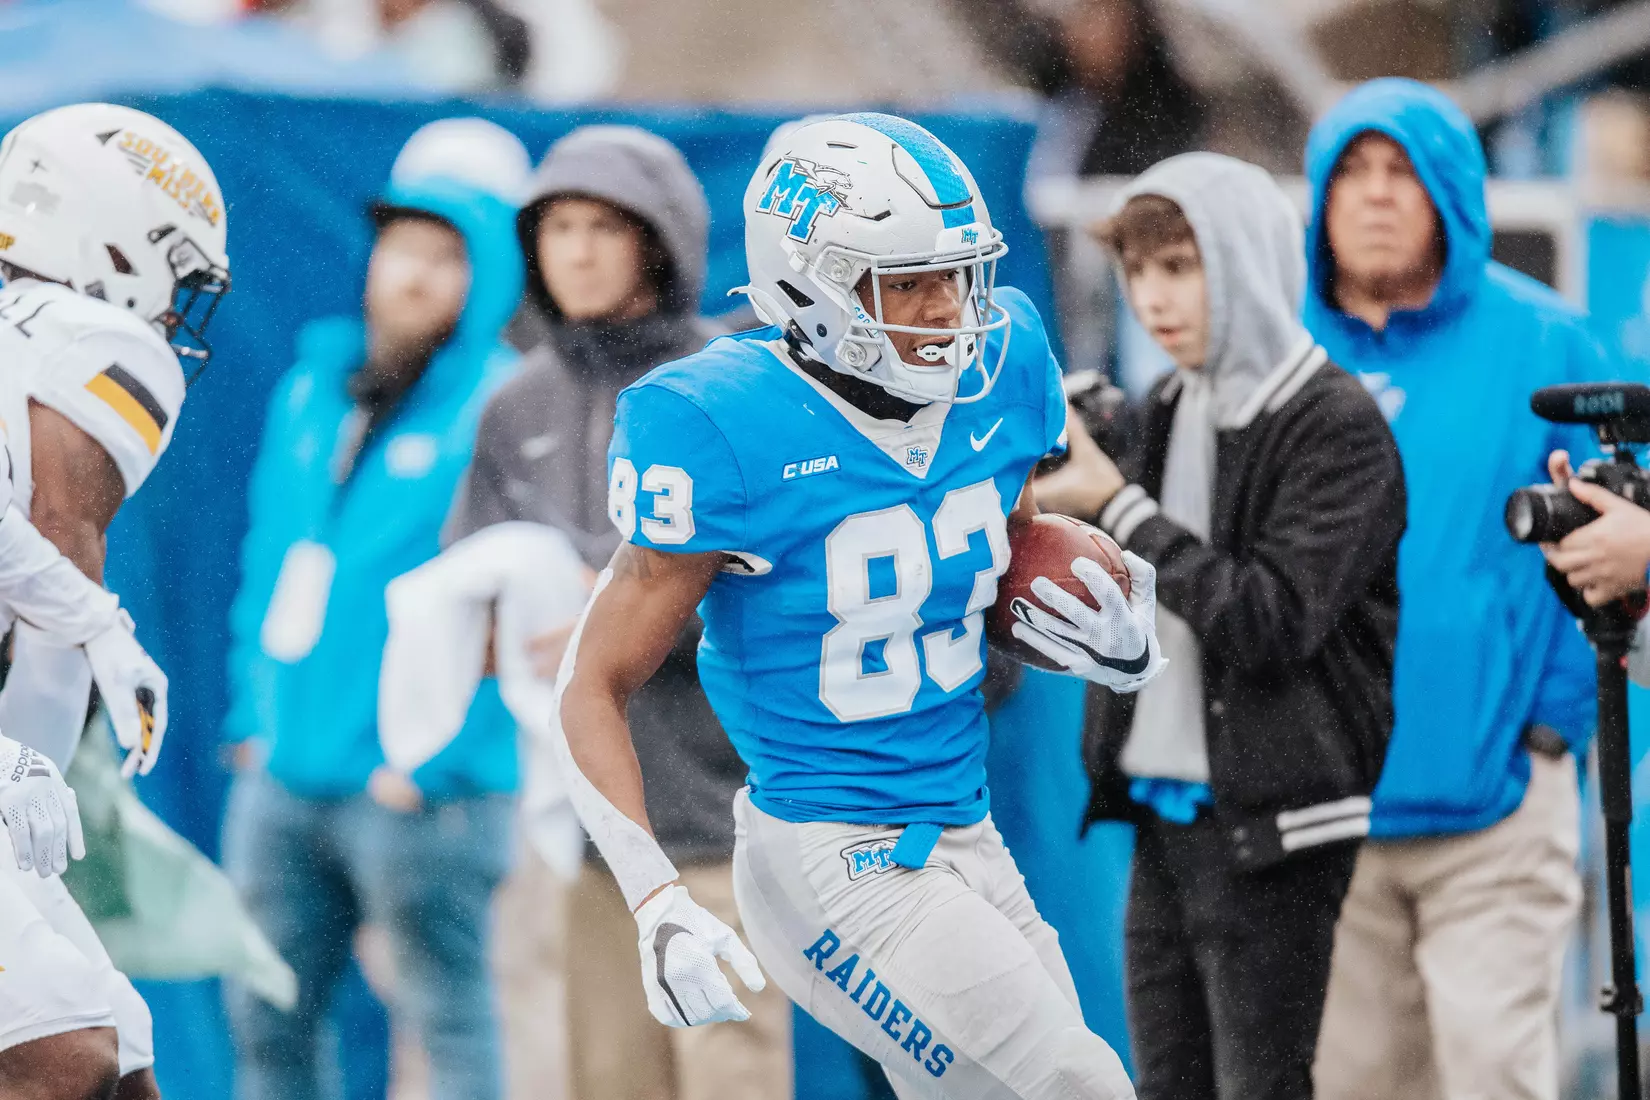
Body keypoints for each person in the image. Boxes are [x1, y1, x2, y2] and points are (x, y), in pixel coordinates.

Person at [550, 112, 1164, 1100]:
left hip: (963, 829)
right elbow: (589, 680)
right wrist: (655, 894)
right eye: (905, 282)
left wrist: (1105, 636)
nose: (943, 311)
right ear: (810, 283)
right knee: (1078, 1081)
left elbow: (994, 569)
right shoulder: (717, 423)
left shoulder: (1001, 366)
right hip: (827, 855)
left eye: (955, 275)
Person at [1032, 153, 1405, 1100]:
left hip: (1277, 828)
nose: (1154, 297)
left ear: (1245, 259)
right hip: (1161, 819)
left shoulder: (1335, 421)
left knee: (1261, 1089)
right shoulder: (1164, 402)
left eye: (1181, 266)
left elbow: (1272, 621)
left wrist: (1118, 507)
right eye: (1137, 271)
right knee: (1166, 1087)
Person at [438, 124, 793, 1100]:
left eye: (605, 224)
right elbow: (469, 576)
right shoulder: (516, 405)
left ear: (662, 239)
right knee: (610, 1081)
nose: (579, 250)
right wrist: (480, 637)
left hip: (731, 818)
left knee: (732, 1079)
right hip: (592, 833)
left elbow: (786, 568)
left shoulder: (737, 382)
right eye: (557, 227)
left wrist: (630, 618)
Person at [1303, 79, 1607, 1100]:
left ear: (1452, 192)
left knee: (1492, 1080)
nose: (1378, 195)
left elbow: (1613, 537)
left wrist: (1551, 725)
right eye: (1352, 171)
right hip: (1327, 815)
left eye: (1404, 171)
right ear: (1317, 197)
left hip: (1500, 806)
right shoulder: (1273, 347)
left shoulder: (1549, 344)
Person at [221, 118, 527, 1100]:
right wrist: (252, 717)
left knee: (448, 1025)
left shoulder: (507, 408)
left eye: (446, 255)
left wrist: (434, 758)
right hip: (287, 771)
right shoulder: (317, 386)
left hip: (421, 791)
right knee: (265, 1019)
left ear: (488, 276)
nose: (413, 274)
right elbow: (269, 559)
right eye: (401, 247)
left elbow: (523, 606)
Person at [0, 101, 231, 1100]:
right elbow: (52, 596)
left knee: (124, 1046)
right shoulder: (90, 338)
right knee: (67, 1047)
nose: (173, 315)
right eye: (176, 276)